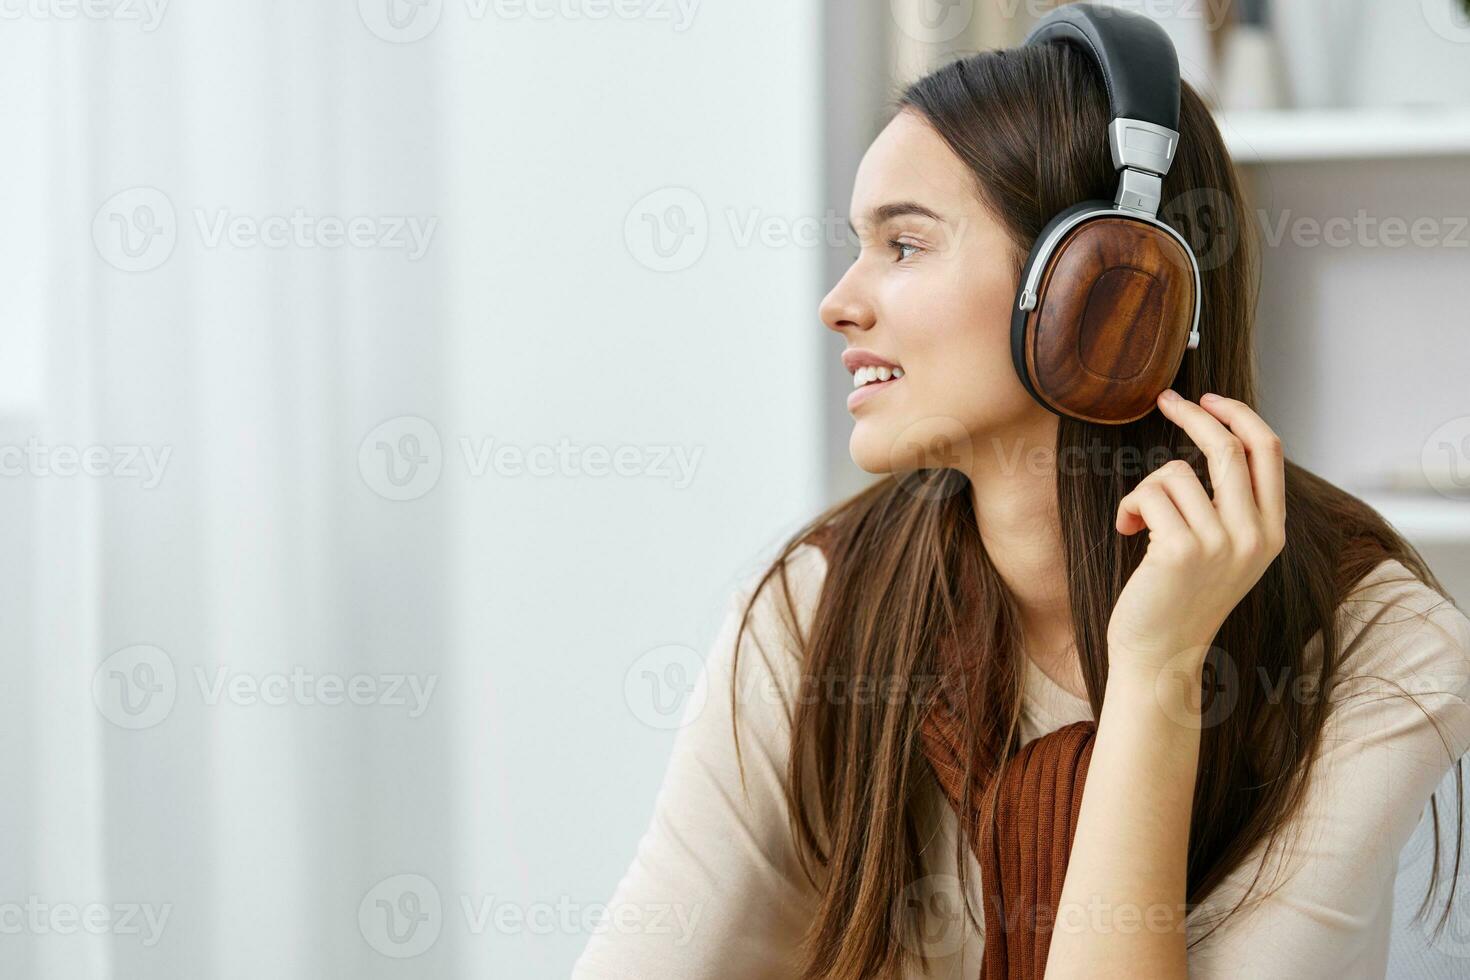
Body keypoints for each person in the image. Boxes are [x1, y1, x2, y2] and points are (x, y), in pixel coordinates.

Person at [572, 23, 1470, 980]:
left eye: (905, 245)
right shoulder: (820, 605)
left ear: (1105, 288)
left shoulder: (1377, 648)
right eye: (860, 247)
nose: (839, 300)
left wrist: (1159, 671)